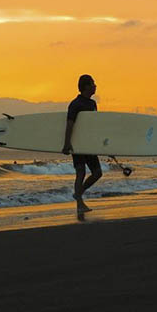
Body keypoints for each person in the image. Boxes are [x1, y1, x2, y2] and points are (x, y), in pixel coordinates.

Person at [62, 74, 102, 213]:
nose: (95, 86)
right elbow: (70, 124)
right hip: (78, 144)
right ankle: (79, 203)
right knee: (81, 172)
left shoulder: (92, 104)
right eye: (93, 83)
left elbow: (94, 125)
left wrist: (101, 143)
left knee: (97, 173)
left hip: (89, 143)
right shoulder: (75, 104)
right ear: (86, 86)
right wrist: (67, 143)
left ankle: (78, 194)